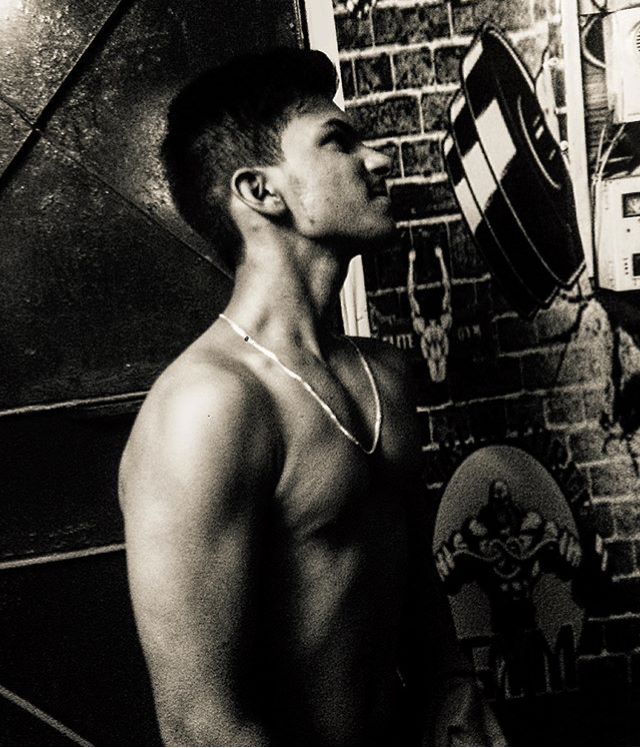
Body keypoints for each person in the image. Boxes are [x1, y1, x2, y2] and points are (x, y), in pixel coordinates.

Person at [119, 47, 505, 746]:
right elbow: (200, 725)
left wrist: (455, 687)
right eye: (339, 141)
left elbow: (411, 583)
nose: (379, 158)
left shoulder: (385, 374)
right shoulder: (208, 407)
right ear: (261, 191)